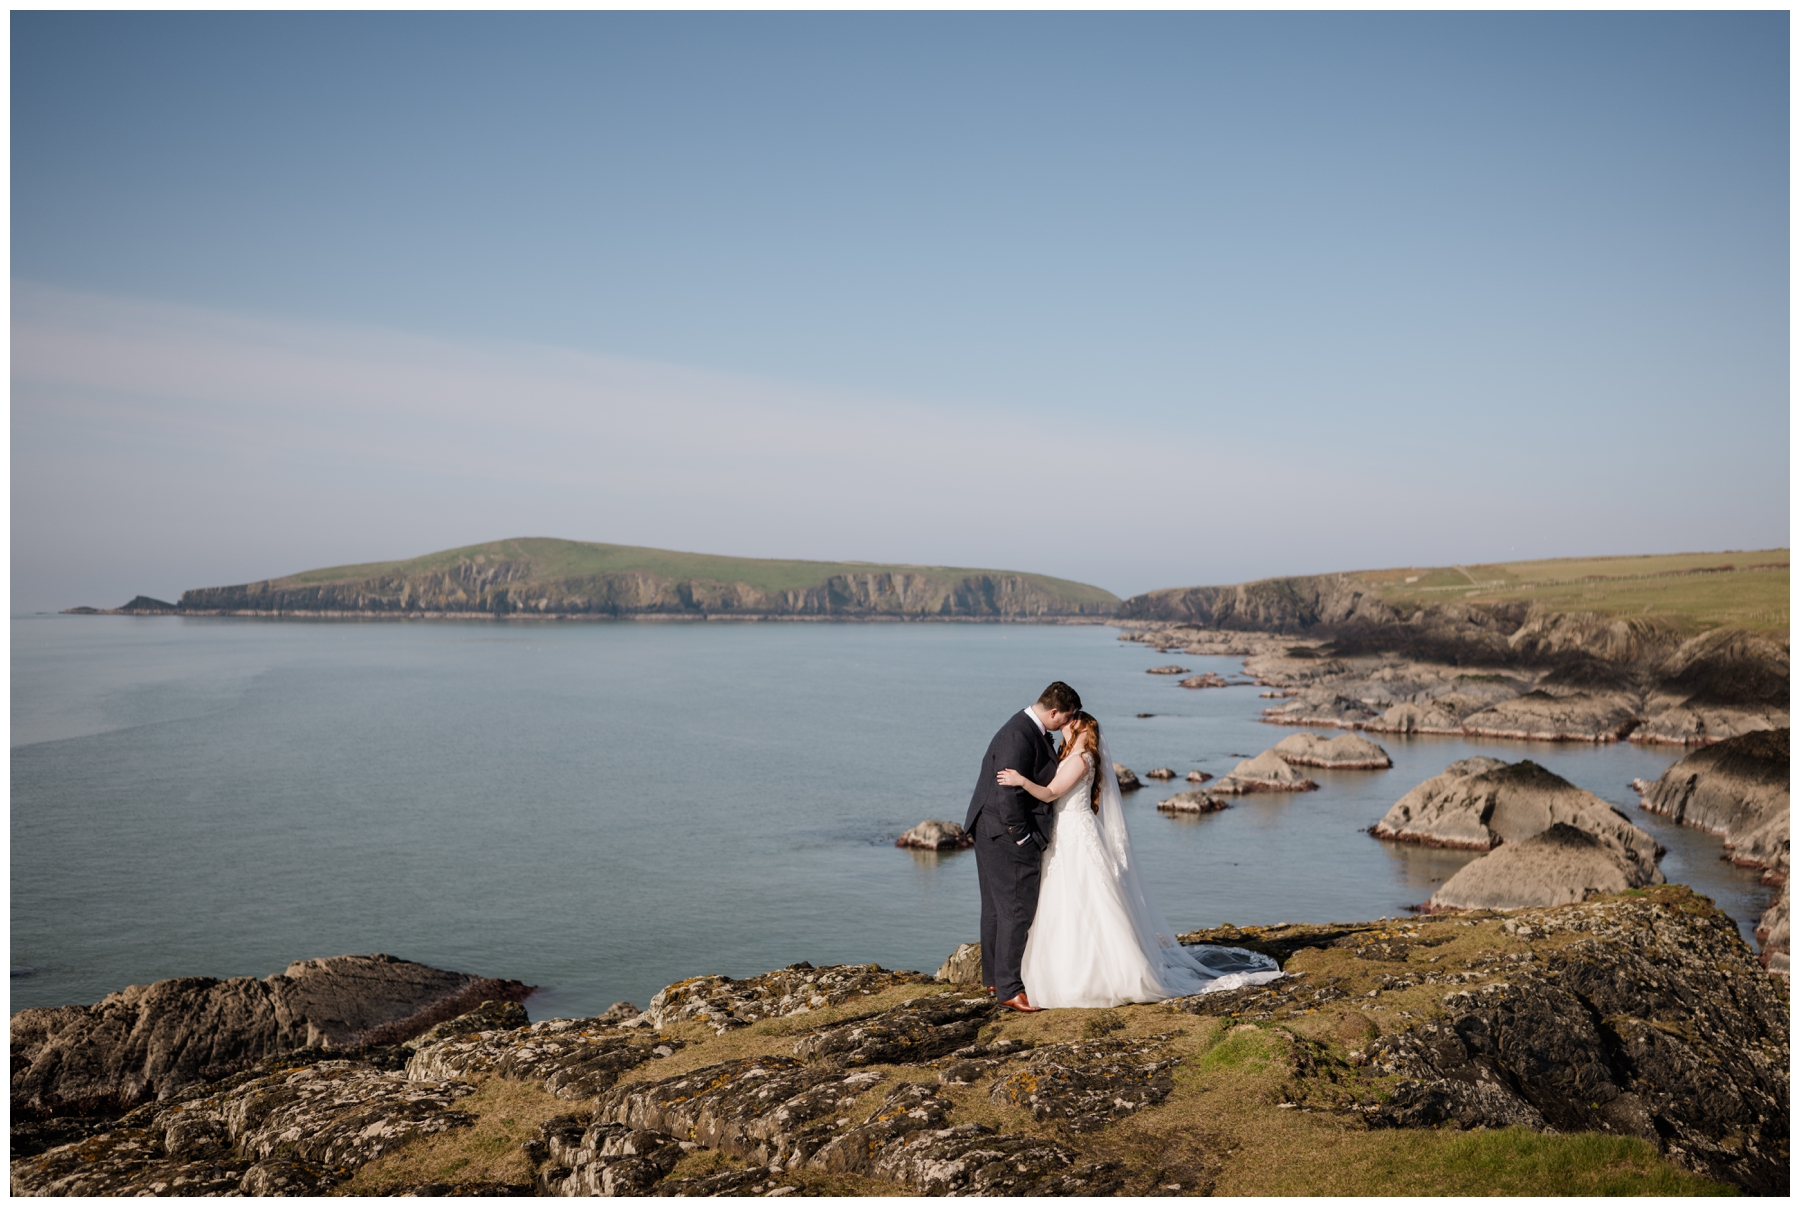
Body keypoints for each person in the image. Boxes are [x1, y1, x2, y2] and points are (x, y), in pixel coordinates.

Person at [998, 711, 1282, 1007]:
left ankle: (1097, 975)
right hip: (1067, 835)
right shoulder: (1074, 756)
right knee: (1066, 901)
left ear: (1081, 728)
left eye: (1070, 723)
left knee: (1086, 900)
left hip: (1076, 836)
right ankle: (1060, 972)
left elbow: (1049, 793)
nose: (1064, 726)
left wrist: (1020, 780)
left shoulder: (1082, 759)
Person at [964, 682, 1082, 1012]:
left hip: (989, 831)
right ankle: (1010, 989)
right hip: (1005, 834)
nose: (1068, 723)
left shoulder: (1025, 726)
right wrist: (1022, 836)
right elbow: (1007, 792)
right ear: (1054, 711)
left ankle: (994, 979)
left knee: (996, 908)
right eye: (1067, 716)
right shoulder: (1019, 735)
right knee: (1017, 910)